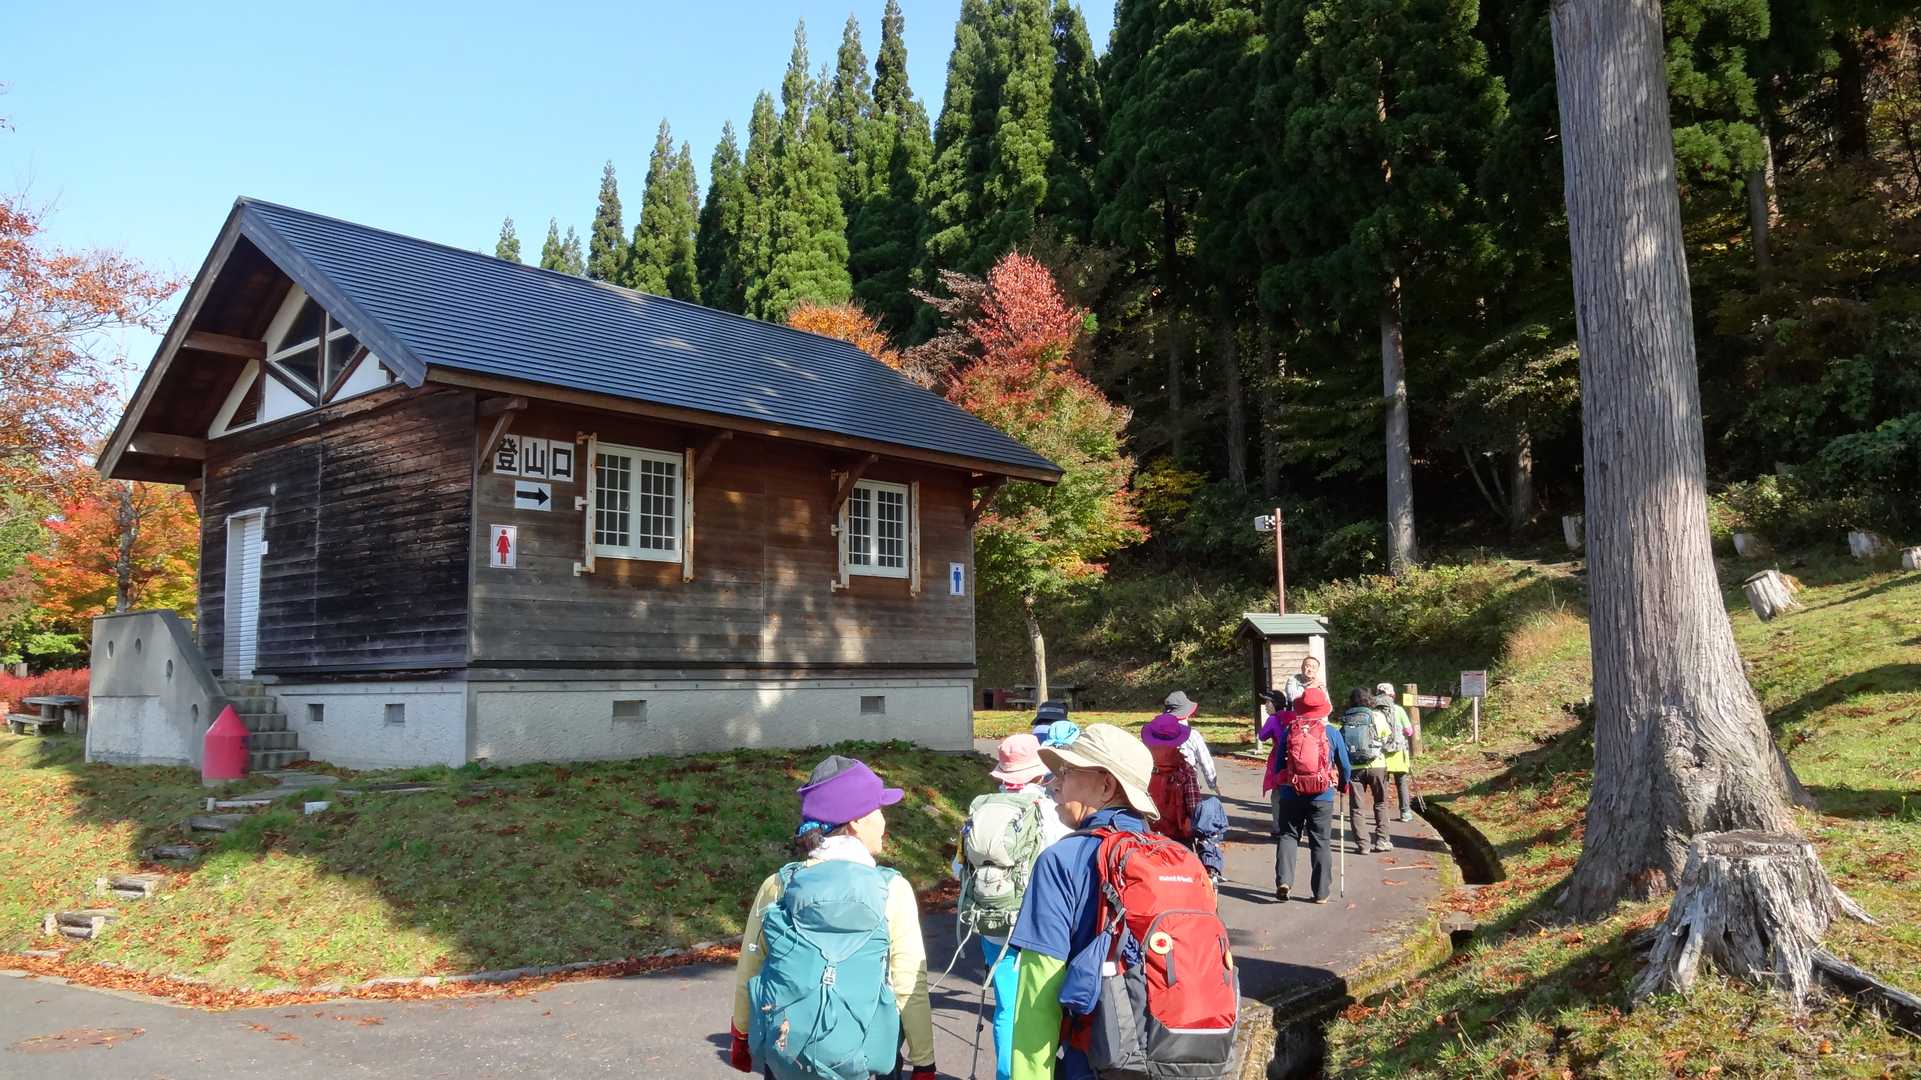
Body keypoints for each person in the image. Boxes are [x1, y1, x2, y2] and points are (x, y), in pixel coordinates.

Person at [729, 757, 936, 1080]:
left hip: (788, 1056)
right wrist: (924, 1061)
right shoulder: (892, 889)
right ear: (856, 822)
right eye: (879, 810)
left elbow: (750, 968)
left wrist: (740, 1035)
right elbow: (910, 981)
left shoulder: (778, 885)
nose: (884, 821)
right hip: (867, 1060)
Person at [1004, 724, 1158, 1078]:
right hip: (1171, 1055)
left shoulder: (1062, 860)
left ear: (1106, 786)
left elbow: (1038, 993)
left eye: (1067, 772)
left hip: (1096, 1060)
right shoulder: (1173, 858)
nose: (1053, 784)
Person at [955, 734, 1074, 1080]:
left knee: (1007, 1007)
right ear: (1040, 772)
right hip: (1041, 925)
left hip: (994, 921)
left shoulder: (981, 810)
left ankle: (1007, 1075)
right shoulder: (1050, 811)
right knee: (1042, 1006)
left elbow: (957, 867)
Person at [1258, 685, 1351, 903]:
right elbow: (1345, 766)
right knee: (1320, 841)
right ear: (1323, 709)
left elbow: (1279, 764)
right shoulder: (1331, 732)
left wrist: (1284, 783)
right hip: (1322, 795)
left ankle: (1284, 881)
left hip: (1291, 792)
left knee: (1288, 836)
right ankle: (1321, 893)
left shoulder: (1290, 730)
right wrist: (1342, 785)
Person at [1140, 712, 1226, 881]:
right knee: (1211, 807)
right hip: (1179, 838)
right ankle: (1210, 869)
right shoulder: (1185, 770)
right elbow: (1194, 808)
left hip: (1146, 837)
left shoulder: (1140, 766)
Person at [1339, 687, 1393, 854]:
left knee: (1356, 807)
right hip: (1377, 764)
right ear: (1369, 699)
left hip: (1354, 767)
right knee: (1381, 803)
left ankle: (1363, 844)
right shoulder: (1377, 715)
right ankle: (1382, 840)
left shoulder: (1346, 717)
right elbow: (1387, 736)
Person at [1160, 690, 1220, 792]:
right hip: (1187, 784)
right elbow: (1205, 761)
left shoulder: (1157, 732)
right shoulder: (1192, 735)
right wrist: (1212, 784)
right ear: (1186, 713)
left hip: (1163, 784)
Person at [1375, 682, 1418, 822]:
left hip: (1381, 754)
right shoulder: (1398, 710)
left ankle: (1383, 815)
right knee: (1401, 783)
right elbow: (1409, 731)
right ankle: (1405, 812)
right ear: (1392, 695)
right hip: (1398, 752)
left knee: (1383, 785)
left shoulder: (1374, 712)